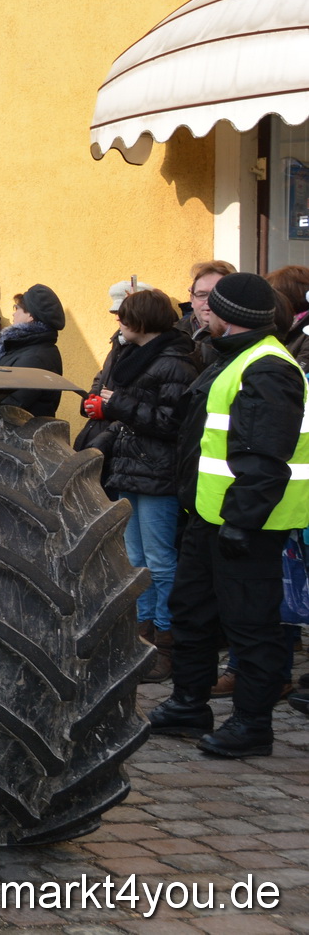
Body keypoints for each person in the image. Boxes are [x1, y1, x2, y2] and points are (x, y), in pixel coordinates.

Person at [148, 272, 309, 758]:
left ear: (227, 315)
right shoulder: (229, 359)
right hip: (209, 514)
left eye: (208, 306)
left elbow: (264, 453)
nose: (201, 312)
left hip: (247, 523)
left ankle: (252, 725)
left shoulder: (267, 368)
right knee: (191, 612)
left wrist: (242, 519)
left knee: (251, 626)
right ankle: (189, 704)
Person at [82, 288, 198, 683]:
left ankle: (165, 642)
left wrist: (117, 405)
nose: (118, 322)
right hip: (132, 468)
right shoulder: (135, 357)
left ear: (141, 322)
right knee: (135, 559)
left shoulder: (175, 363)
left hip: (158, 474)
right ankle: (142, 630)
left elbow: (170, 423)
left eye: (124, 316)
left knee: (161, 561)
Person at [0, 284, 65, 416]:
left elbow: (12, 404)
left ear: (30, 315)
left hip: (21, 433)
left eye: (17, 308)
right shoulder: (21, 347)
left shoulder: (36, 357)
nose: (13, 313)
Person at [177, 261, 235, 371]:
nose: (208, 302)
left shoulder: (238, 337)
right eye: (202, 295)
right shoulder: (174, 332)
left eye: (216, 295)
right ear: (192, 299)